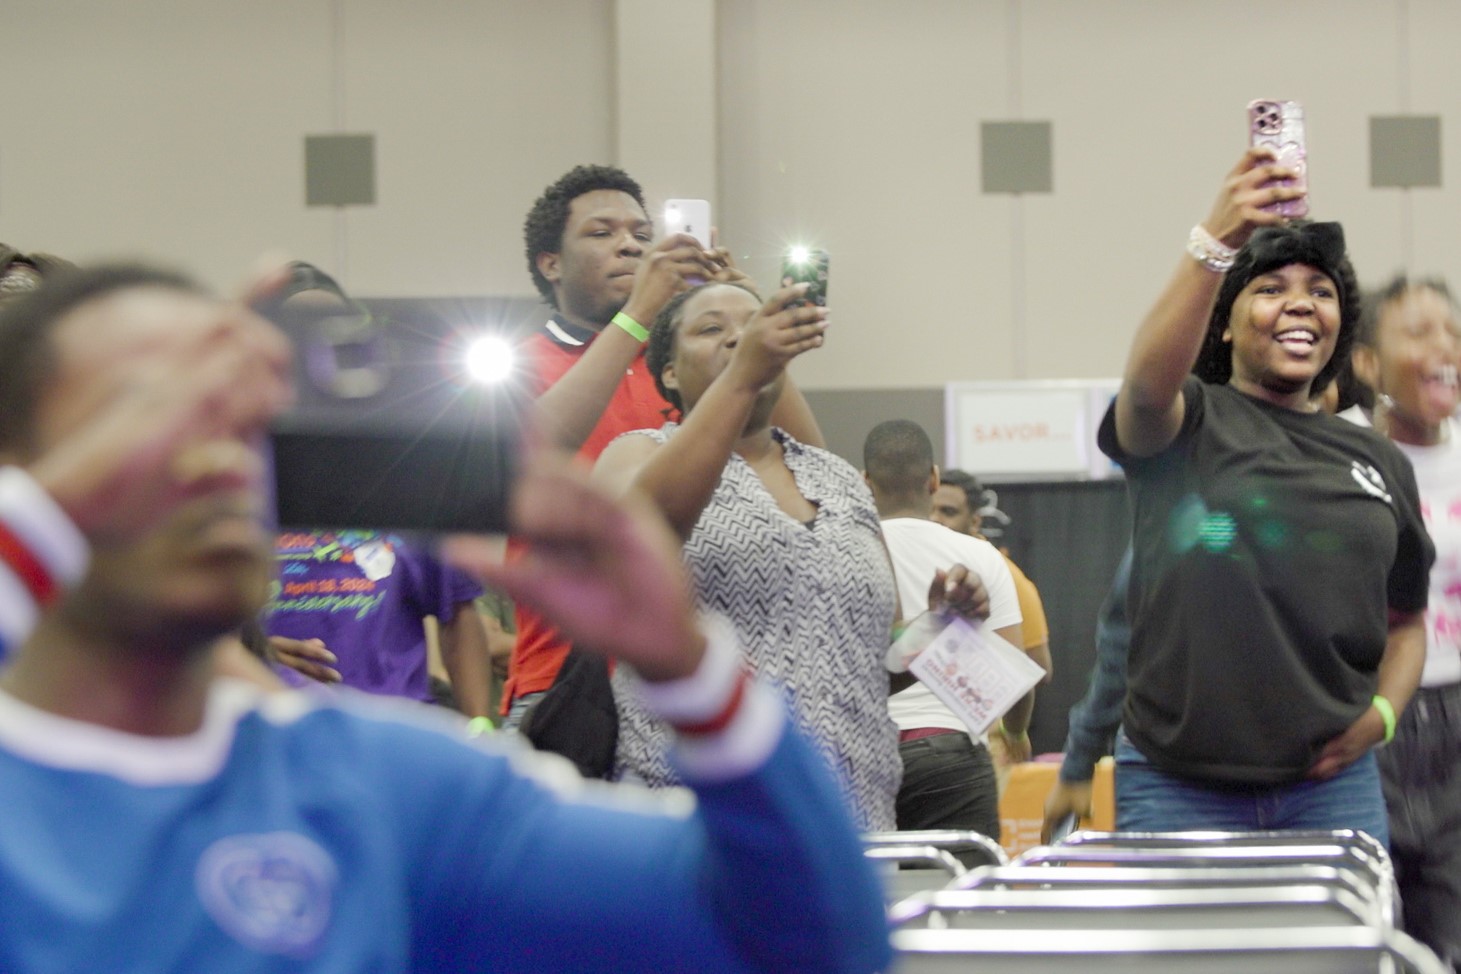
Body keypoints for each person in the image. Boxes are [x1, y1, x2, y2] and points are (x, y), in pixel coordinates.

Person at [0, 263, 891, 974]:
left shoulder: (382, 785)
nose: (202, 450)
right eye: (141, 411)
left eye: (237, 418)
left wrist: (695, 677)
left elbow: (817, 943)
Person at [1098, 148, 1433, 843]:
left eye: (1319, 289)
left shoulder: (1378, 460)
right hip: (1174, 786)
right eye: (1270, 287)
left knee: (1338, 959)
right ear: (1224, 323)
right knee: (1190, 961)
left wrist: (1383, 716)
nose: (1299, 304)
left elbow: (1405, 621)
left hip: (1330, 791)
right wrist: (1216, 243)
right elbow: (1141, 389)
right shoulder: (1187, 421)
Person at [504, 165, 823, 729]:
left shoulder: (687, 363)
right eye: (602, 233)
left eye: (641, 234)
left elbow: (811, 464)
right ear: (549, 264)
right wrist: (639, 314)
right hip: (566, 678)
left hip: (692, 672)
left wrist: (748, 325)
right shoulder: (519, 362)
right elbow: (522, 457)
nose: (629, 245)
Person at [594, 280, 903, 830]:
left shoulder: (838, 478)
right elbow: (637, 543)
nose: (739, 338)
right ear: (666, 372)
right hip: (692, 815)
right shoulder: (639, 453)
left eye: (751, 326)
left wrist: (950, 626)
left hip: (852, 817)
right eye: (712, 329)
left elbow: (885, 650)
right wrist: (742, 374)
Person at [254, 262, 495, 719]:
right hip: (272, 729)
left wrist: (480, 725)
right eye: (295, 331)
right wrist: (252, 652)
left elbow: (459, 614)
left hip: (396, 729)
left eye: (328, 330)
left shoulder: (407, 468)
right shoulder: (234, 469)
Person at [1342, 275, 1461, 965]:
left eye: (1450, 332)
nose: (1442, 347)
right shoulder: (1335, 455)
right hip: (1364, 718)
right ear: (1367, 363)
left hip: (1457, 720)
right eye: (1418, 333)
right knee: (1370, 941)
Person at [862, 420, 1024, 838]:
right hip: (951, 754)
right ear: (934, 479)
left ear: (865, 482)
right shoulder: (981, 557)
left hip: (861, 757)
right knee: (962, 898)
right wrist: (1017, 732)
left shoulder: (846, 550)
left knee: (869, 899)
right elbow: (1014, 679)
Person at [931, 467, 1054, 764]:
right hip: (926, 740)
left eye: (948, 511)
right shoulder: (922, 563)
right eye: (931, 509)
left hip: (986, 747)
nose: (936, 520)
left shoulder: (1005, 575)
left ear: (974, 521)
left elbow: (1040, 668)